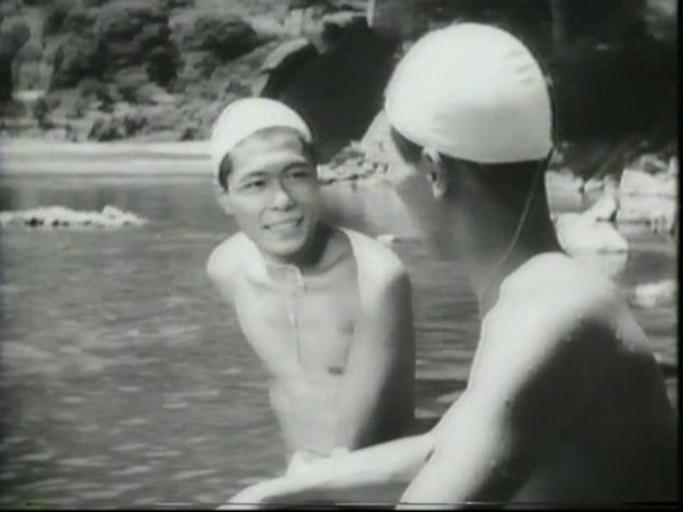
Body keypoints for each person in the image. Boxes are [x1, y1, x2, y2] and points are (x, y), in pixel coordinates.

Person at [225, 23, 678, 507]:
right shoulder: (544, 292)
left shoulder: (548, 317)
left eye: (386, 162)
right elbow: (445, 446)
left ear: (434, 171)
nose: (387, 179)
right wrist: (280, 490)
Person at [206, 97, 416, 476]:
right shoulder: (227, 269)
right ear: (225, 198)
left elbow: (355, 445)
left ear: (317, 178)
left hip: (378, 484)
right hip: (303, 475)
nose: (282, 200)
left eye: (296, 175)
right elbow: (288, 388)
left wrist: (272, 494)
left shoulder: (376, 279)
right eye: (256, 183)